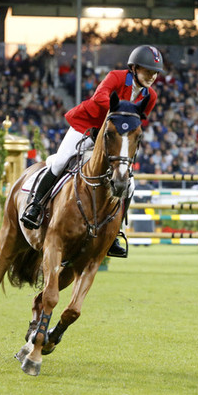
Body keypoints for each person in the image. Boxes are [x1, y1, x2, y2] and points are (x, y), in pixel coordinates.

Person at [20, 45, 164, 257]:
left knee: (129, 183)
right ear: (133, 68)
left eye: (155, 73)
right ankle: (35, 207)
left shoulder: (150, 96)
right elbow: (99, 97)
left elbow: (135, 125)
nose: (152, 77)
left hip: (110, 139)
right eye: (148, 71)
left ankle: (115, 232)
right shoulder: (116, 77)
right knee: (60, 162)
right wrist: (119, 111)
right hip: (86, 127)